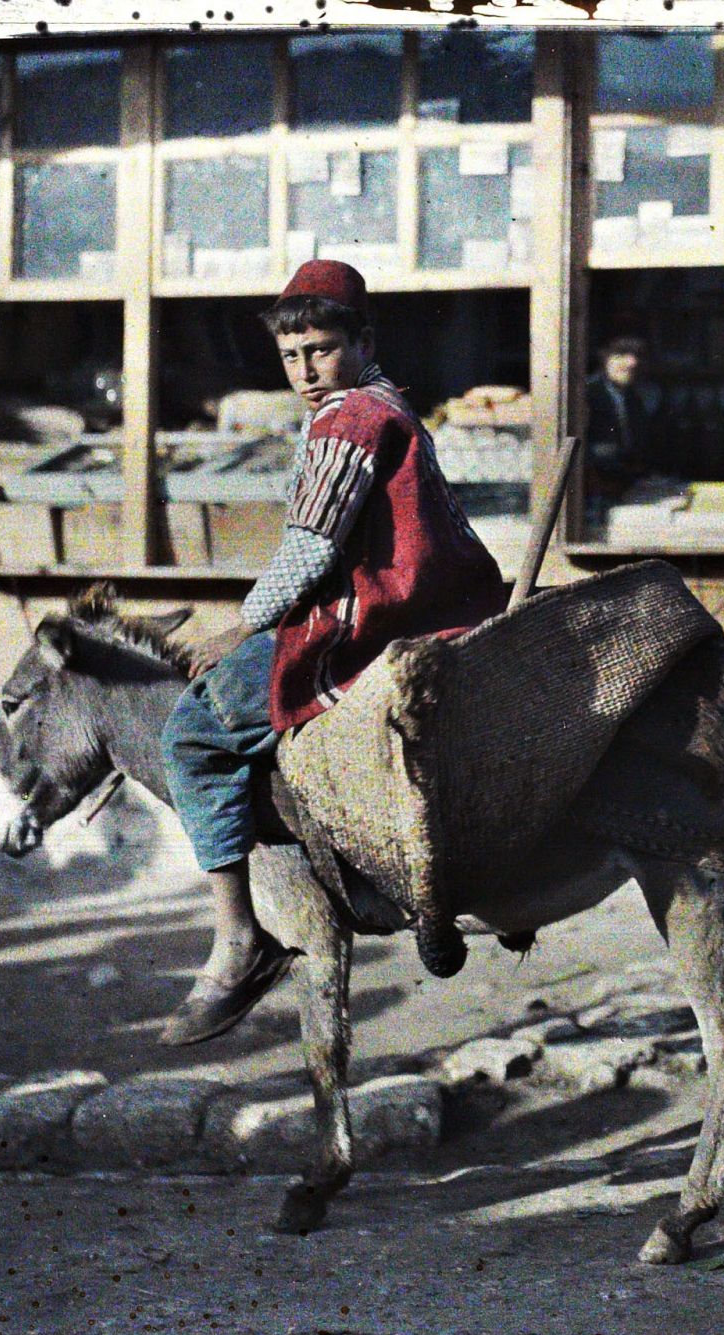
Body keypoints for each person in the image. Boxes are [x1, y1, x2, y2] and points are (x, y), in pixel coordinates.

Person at [157, 259, 507, 1045]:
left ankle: (239, 936)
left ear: (364, 340)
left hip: (366, 628)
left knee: (192, 736)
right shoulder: (390, 406)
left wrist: (239, 627)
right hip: (433, 614)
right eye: (290, 356)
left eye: (320, 349)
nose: (305, 372)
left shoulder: (350, 419)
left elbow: (310, 551)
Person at [584, 334, 658, 497]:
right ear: (604, 358)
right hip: (593, 491)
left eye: (637, 355)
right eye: (621, 355)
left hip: (626, 486)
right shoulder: (586, 394)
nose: (632, 363)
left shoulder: (634, 397)